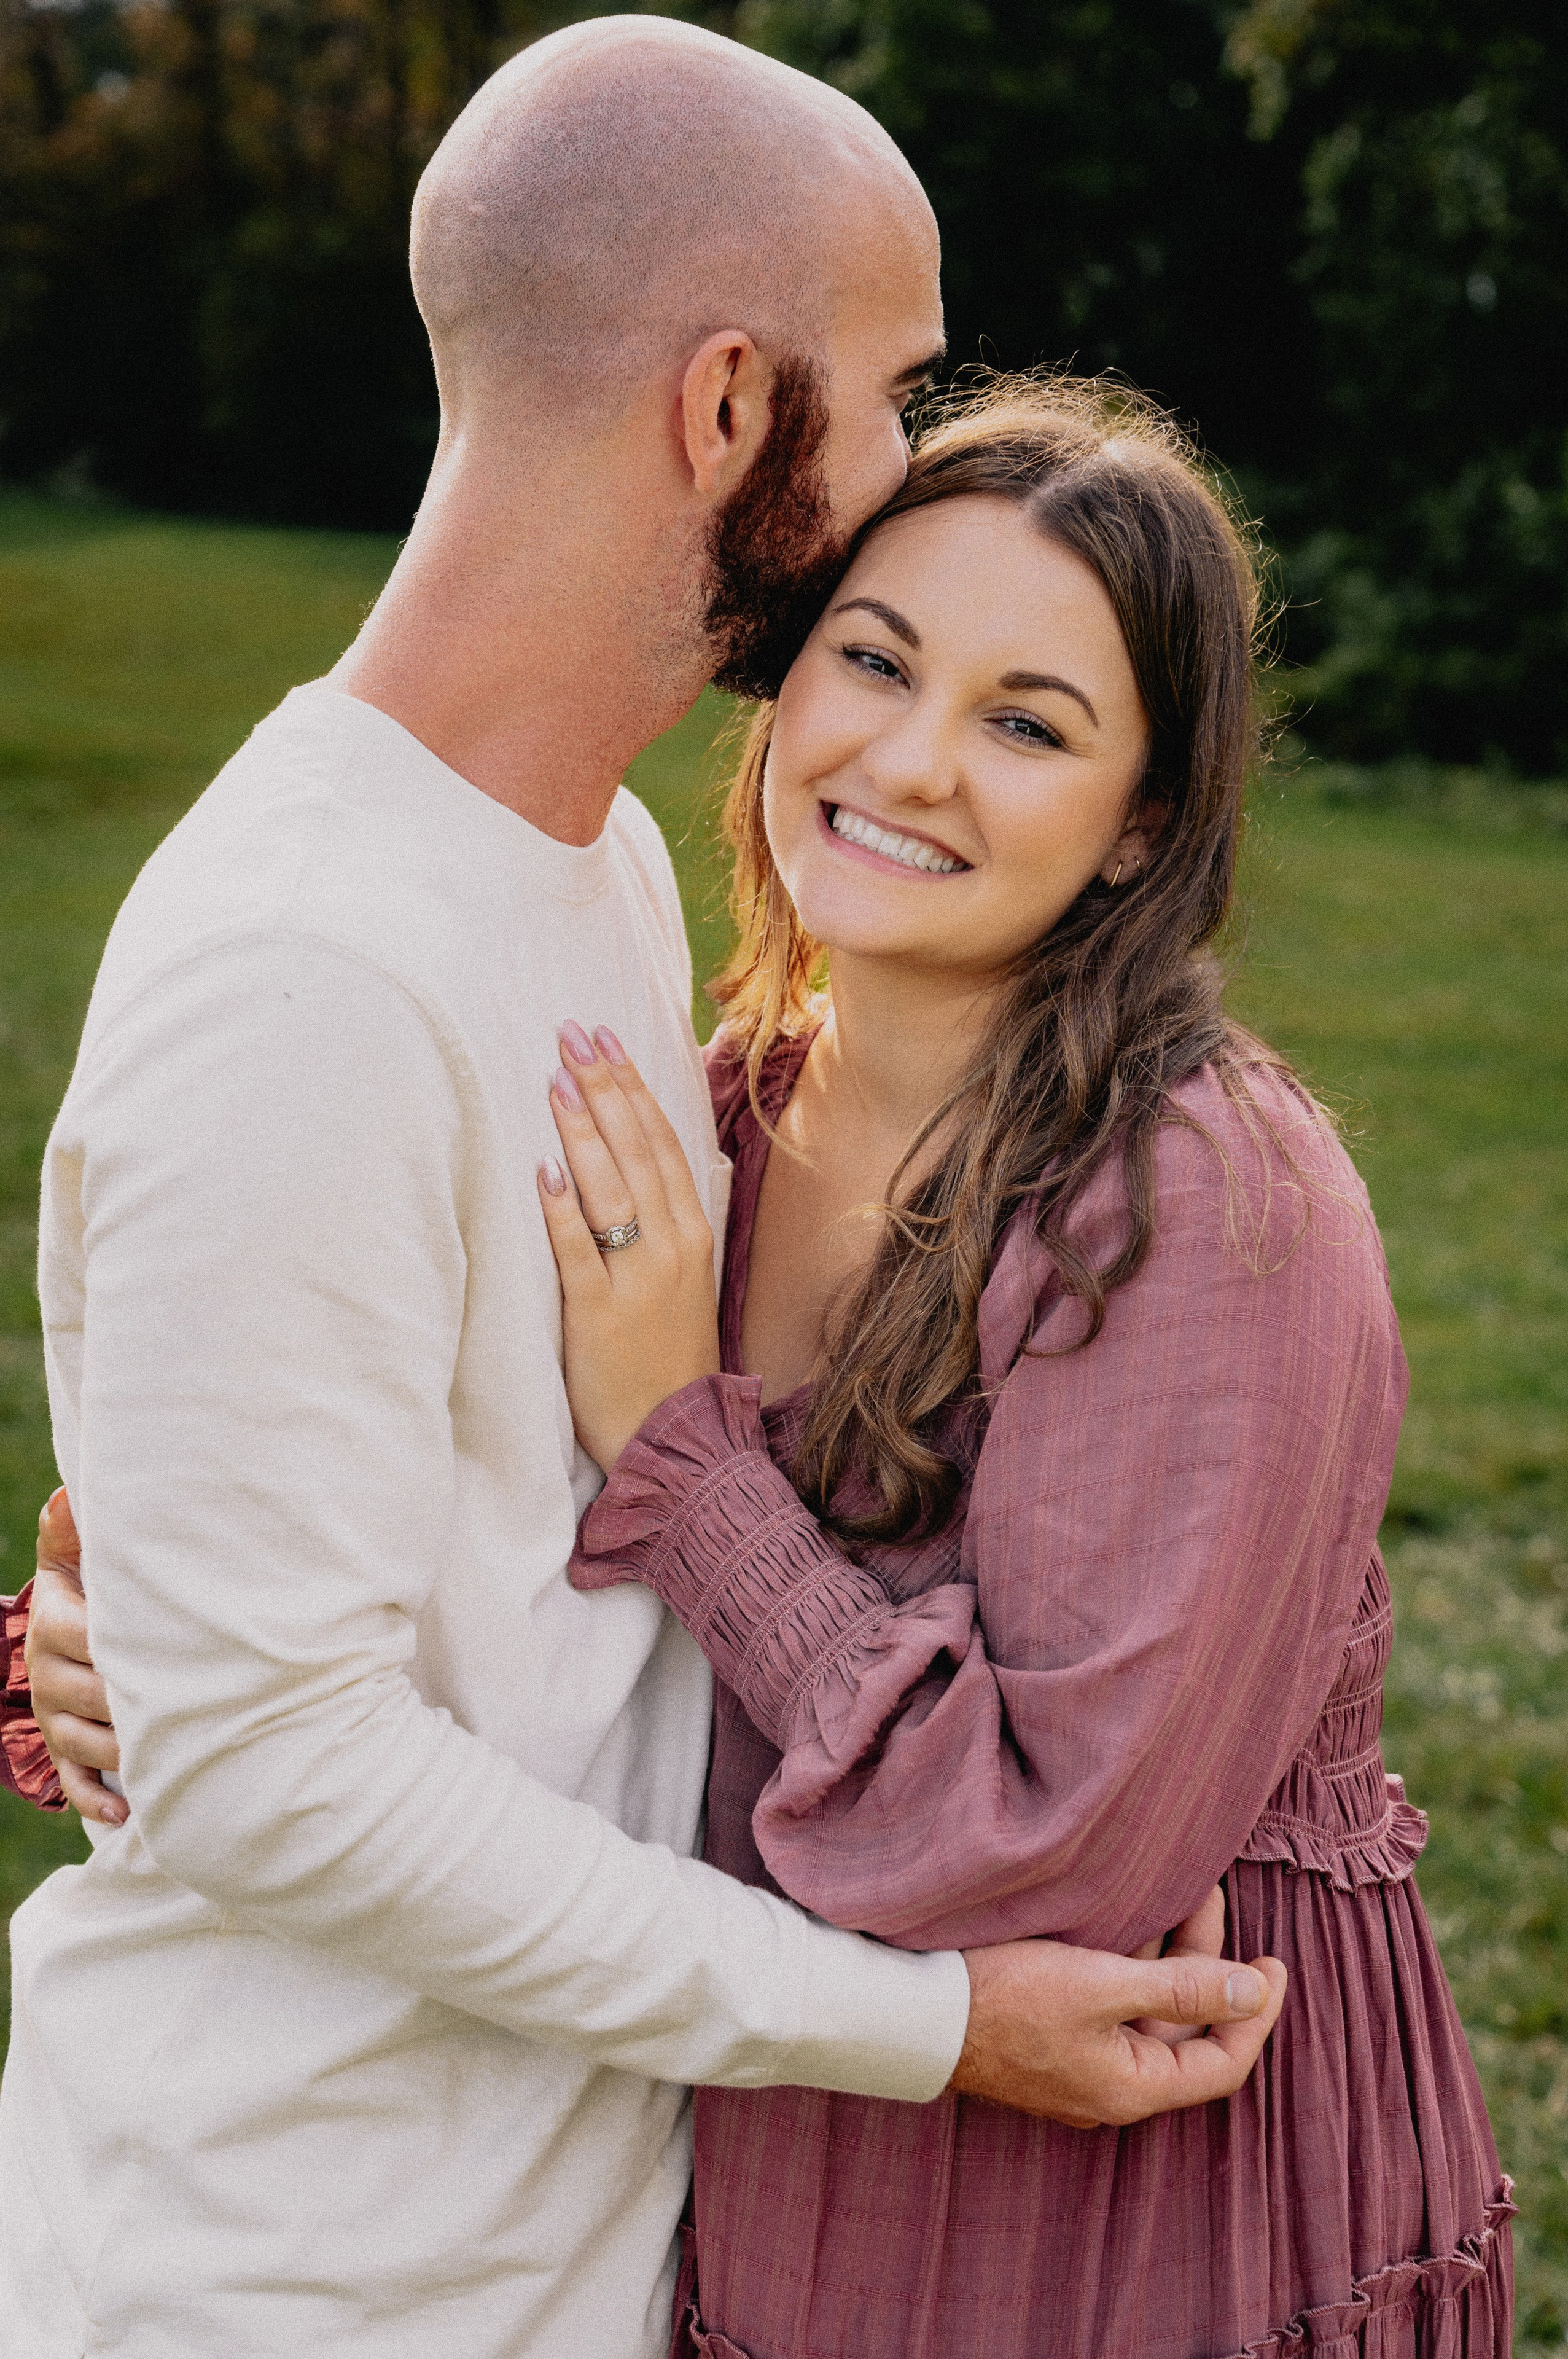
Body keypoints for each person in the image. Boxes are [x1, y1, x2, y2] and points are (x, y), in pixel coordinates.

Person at [0, 28, 1285, 2359]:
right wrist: (926, 2023)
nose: (908, 460)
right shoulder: (298, 968)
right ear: (725, 410)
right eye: (892, 390)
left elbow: (435, 1577)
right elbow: (277, 1772)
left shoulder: (587, 861)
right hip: (293, 2280)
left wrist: (126, 1653)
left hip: (571, 2236)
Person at [520, 380, 1512, 2355]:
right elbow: (443, 1525)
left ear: (1144, 821)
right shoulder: (700, 1123)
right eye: (872, 661)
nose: (908, 758)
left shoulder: (1199, 1206)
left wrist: (677, 1451)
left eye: (1028, 721)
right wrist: (137, 1645)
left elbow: (1039, 1854)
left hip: (1138, 2198)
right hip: (785, 2137)